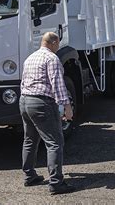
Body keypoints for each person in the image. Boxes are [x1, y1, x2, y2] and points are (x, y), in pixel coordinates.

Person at [20, 32, 75, 195]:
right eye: (57, 44)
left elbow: (23, 81)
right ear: (53, 42)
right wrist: (67, 107)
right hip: (42, 103)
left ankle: (29, 176)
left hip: (24, 101)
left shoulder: (30, 58)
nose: (58, 48)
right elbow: (58, 85)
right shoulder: (52, 59)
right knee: (55, 143)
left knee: (29, 139)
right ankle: (56, 183)